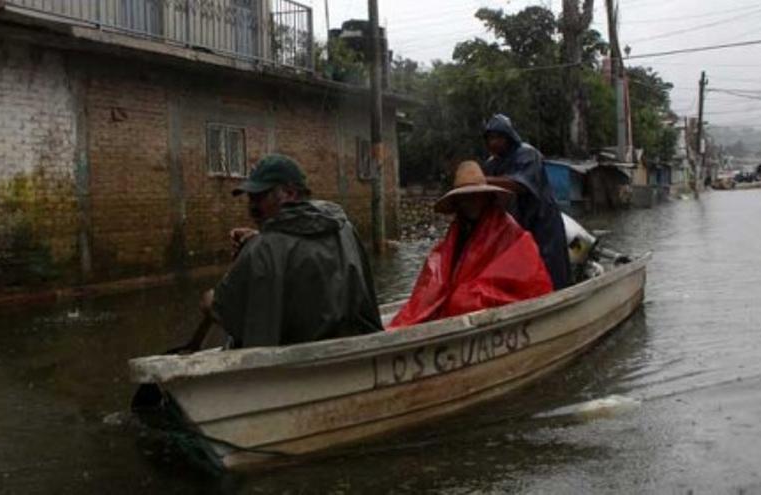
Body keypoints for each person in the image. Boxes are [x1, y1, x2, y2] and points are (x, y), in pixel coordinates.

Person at [201, 154, 383, 347]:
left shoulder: (261, 250)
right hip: (352, 346)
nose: (252, 206)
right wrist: (261, 238)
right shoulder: (344, 228)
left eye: (259, 197)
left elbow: (220, 309)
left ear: (289, 193)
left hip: (294, 362)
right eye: (250, 198)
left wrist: (209, 299)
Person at [389, 161, 553, 328]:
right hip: (465, 303)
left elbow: (521, 277)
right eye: (464, 198)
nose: (470, 202)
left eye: (475, 196)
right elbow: (443, 273)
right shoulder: (458, 231)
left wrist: (465, 294)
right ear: (458, 202)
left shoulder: (508, 230)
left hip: (498, 301)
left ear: (486, 198)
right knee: (426, 302)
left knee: (460, 301)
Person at [482, 114, 571, 290]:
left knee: (549, 265)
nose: (494, 143)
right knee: (521, 269)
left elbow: (521, 185)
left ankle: (558, 298)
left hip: (541, 221)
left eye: (498, 137)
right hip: (516, 224)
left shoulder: (527, 154)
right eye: (490, 138)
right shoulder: (492, 164)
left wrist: (483, 181)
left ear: (509, 136)